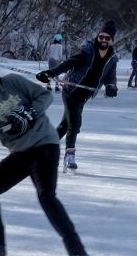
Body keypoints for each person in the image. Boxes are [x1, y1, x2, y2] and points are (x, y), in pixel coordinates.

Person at [0, 48, 94, 256]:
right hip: (21, 153)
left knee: (46, 196)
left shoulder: (12, 83)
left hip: (45, 144)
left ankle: (77, 253)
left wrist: (29, 113)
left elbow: (45, 96)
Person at [35, 20, 119, 172]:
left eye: (107, 38)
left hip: (85, 94)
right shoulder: (87, 50)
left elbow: (110, 76)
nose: (103, 40)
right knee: (75, 123)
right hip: (71, 90)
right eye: (101, 37)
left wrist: (111, 87)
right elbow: (69, 63)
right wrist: (51, 73)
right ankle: (69, 156)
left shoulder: (112, 58)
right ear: (97, 37)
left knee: (65, 125)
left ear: (112, 40)